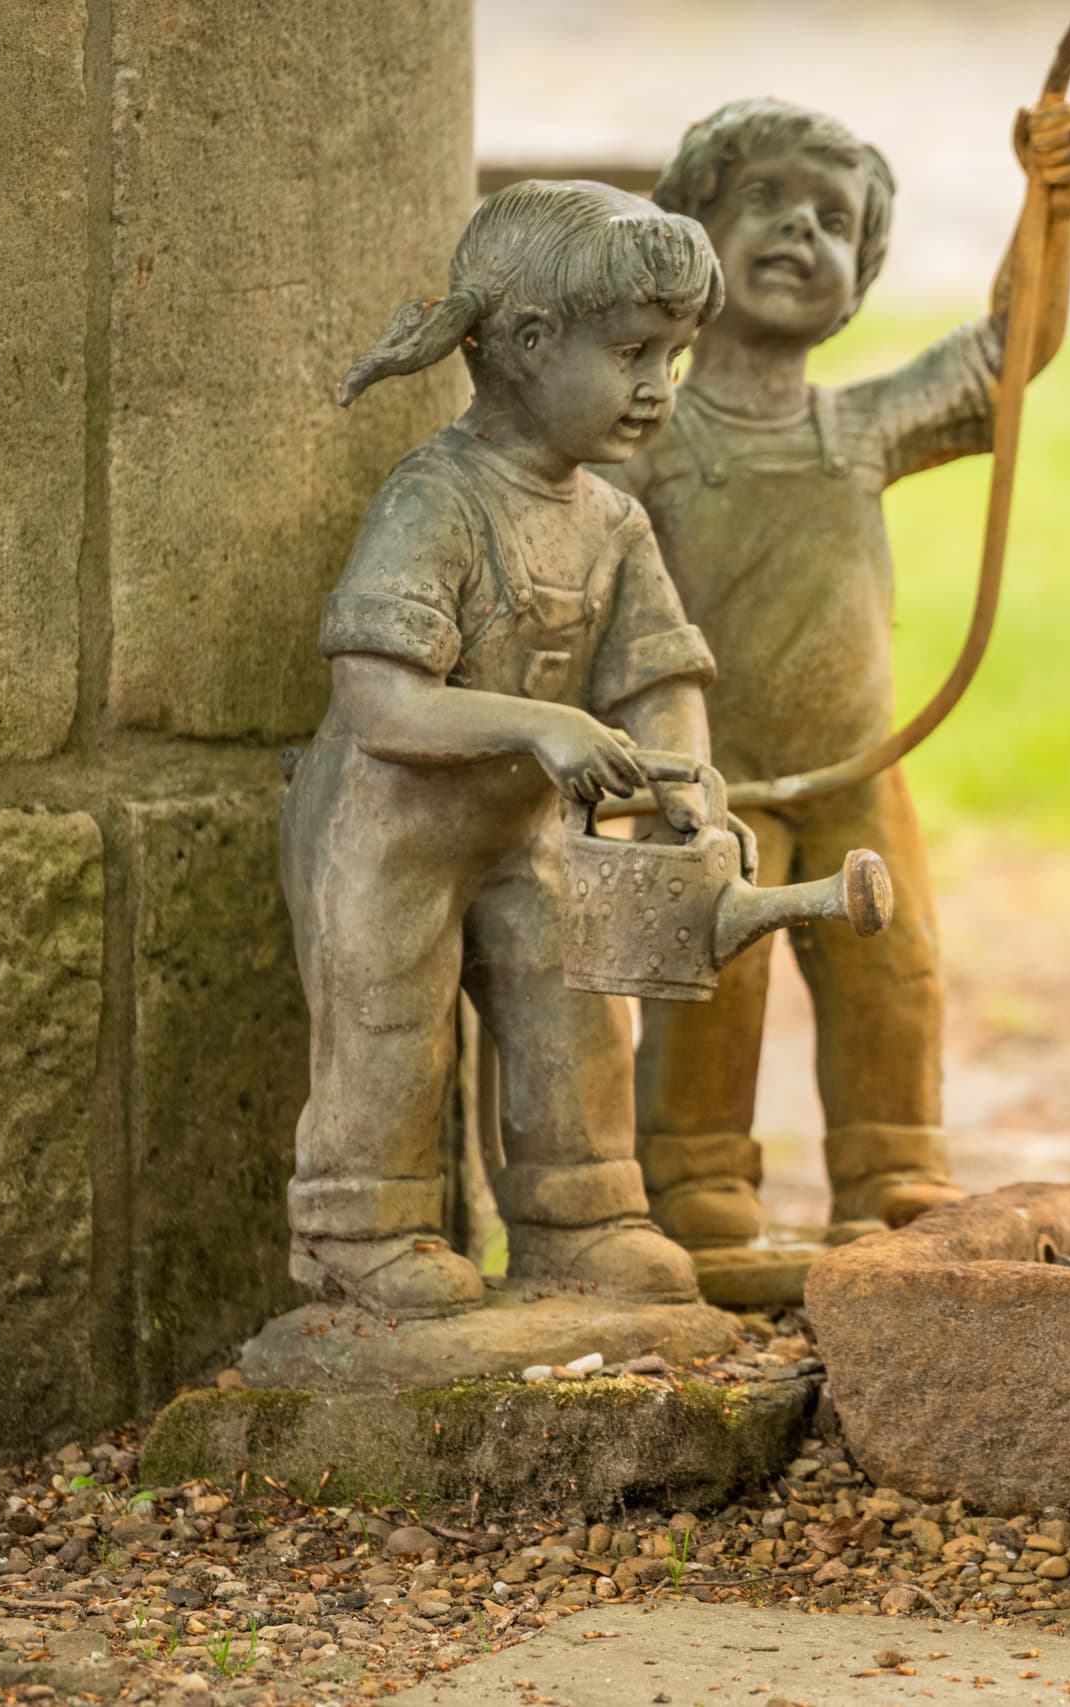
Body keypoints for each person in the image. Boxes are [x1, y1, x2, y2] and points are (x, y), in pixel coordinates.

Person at [609, 95, 1070, 1240]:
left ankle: (890, 1163)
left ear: (862, 273)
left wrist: (1053, 209)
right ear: (687, 236)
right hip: (705, 781)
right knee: (707, 981)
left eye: (834, 221)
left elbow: (1001, 356)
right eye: (765, 203)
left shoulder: (861, 428)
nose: (799, 234)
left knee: (892, 967)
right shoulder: (649, 439)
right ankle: (694, 1176)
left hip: (858, 771)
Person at [283, 179, 729, 1316]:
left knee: (573, 1016)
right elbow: (382, 707)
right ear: (529, 343)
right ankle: (356, 1228)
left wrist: (686, 786)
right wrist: (543, 724)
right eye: (632, 351)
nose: (654, 389)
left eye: (672, 359)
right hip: (387, 835)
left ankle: (580, 1217)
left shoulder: (612, 522)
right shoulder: (436, 499)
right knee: (390, 1027)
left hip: (525, 831)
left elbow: (660, 675)